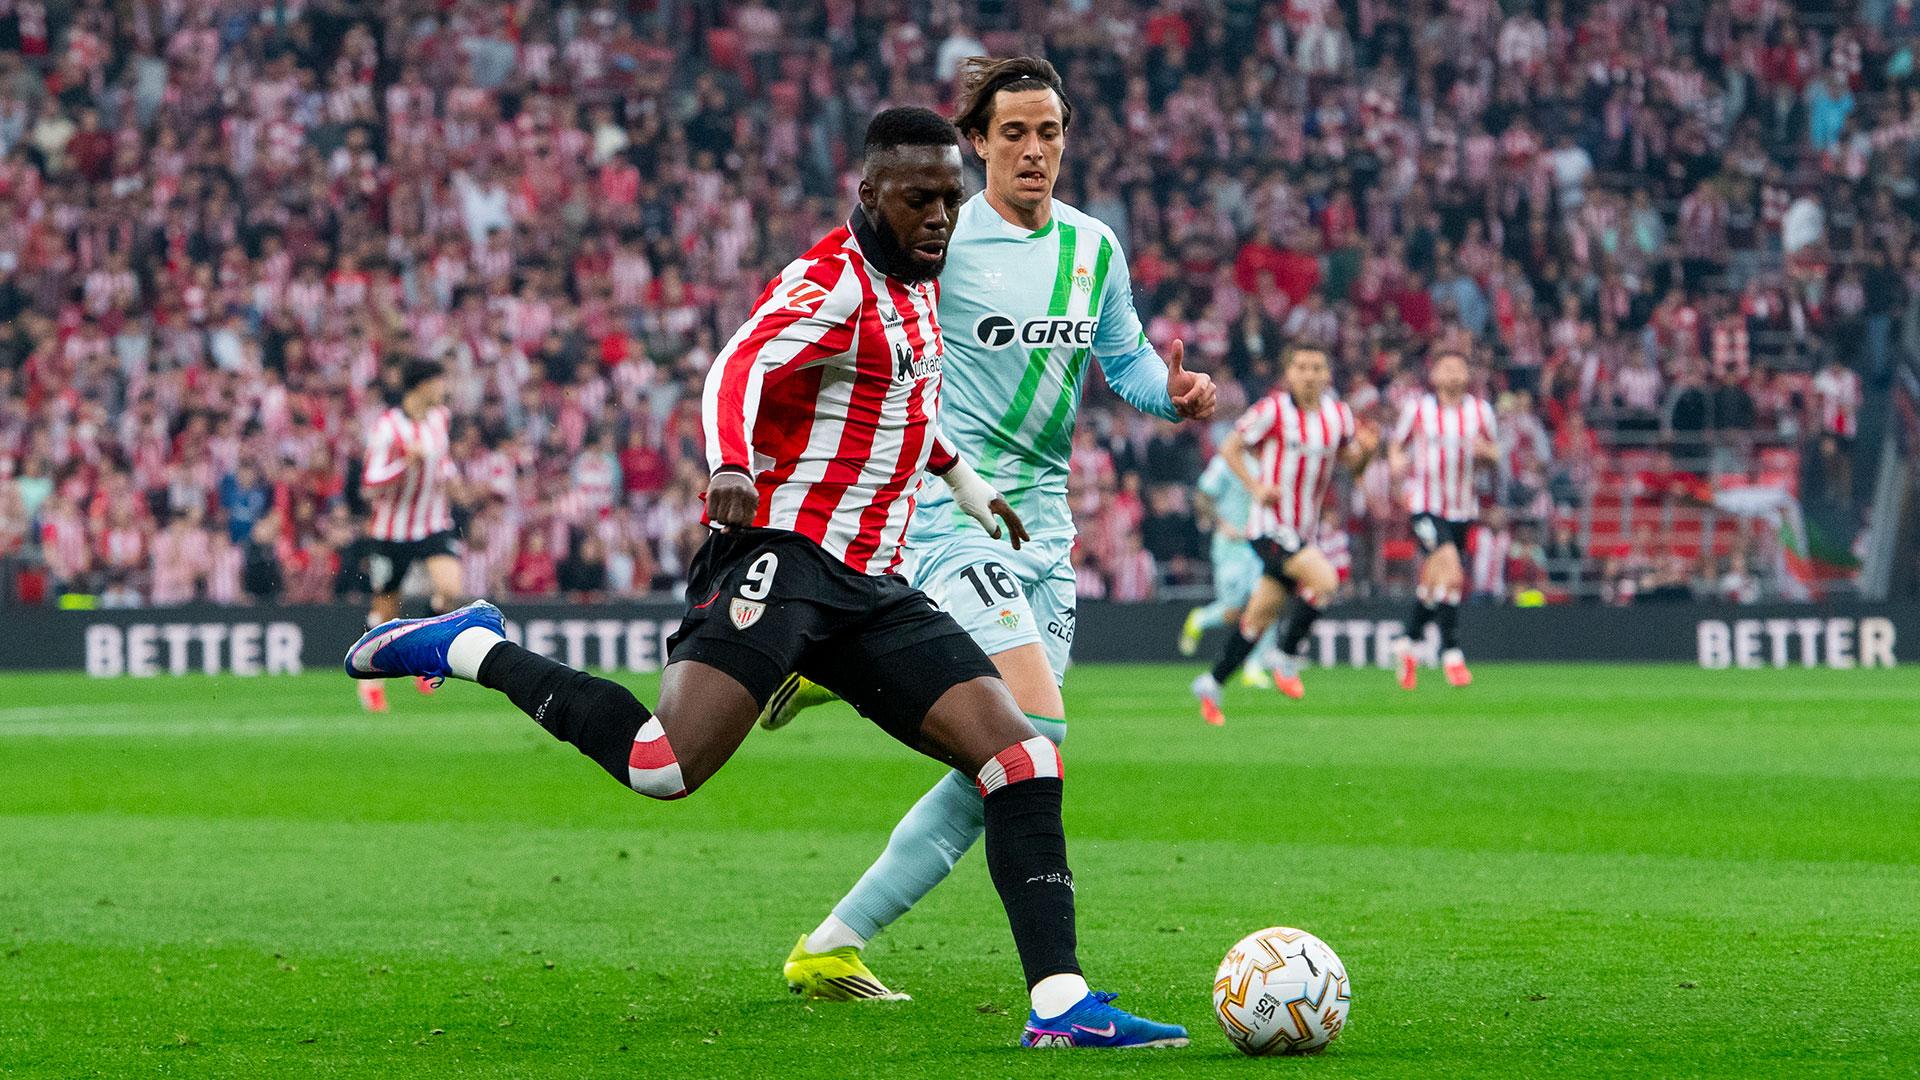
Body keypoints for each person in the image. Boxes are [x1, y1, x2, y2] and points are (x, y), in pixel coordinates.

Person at [345, 107, 1187, 1050]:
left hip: (872, 585)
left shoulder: (918, 285)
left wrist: (966, 485)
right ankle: (471, 647)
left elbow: (905, 404)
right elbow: (737, 366)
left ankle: (1060, 1005)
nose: (940, 217)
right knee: (662, 767)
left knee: (1023, 757)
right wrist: (731, 463)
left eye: (950, 199)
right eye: (919, 199)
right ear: (869, 194)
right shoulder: (832, 280)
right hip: (781, 561)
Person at [759, 58, 1216, 1006]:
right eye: (1013, 133)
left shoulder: (1093, 247)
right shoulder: (940, 237)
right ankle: (1057, 990)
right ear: (976, 143)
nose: (1034, 151)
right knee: (1034, 731)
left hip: (1044, 531)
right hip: (948, 512)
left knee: (1004, 767)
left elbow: (1127, 361)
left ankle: (833, 943)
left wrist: (1170, 396)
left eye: (1049, 132)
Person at [1190, 344, 1378, 723]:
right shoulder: (1272, 410)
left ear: (1327, 375)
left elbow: (1350, 464)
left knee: (1259, 616)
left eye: (1317, 367)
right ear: (1289, 373)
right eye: (1302, 367)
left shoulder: (1338, 416)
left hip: (1302, 530)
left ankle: (1212, 683)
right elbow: (1230, 448)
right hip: (1269, 526)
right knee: (1325, 582)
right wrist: (1256, 487)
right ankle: (1287, 656)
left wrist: (1368, 455)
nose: (1309, 374)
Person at [355, 358, 465, 713]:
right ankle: (370, 682)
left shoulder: (440, 418)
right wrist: (406, 464)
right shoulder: (387, 427)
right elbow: (370, 481)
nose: (444, 389)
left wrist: (452, 478)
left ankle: (425, 659)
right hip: (392, 530)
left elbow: (443, 459)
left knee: (450, 588)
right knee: (386, 610)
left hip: (432, 523)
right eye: (439, 382)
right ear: (421, 386)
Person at [1388, 349, 1499, 689]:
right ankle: (1452, 653)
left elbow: (1495, 453)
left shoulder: (1481, 411)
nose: (1452, 374)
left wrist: (1487, 454)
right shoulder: (1418, 409)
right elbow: (1396, 446)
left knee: (1435, 583)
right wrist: (1396, 464)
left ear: (1468, 375)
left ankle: (1407, 642)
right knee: (1451, 572)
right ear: (1434, 375)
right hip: (1425, 505)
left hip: (1462, 509)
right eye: (1446, 368)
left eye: (1458, 368)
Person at [1177, 451, 1279, 687]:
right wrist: (1221, 524)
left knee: (1268, 602)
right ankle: (1200, 619)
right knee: (1232, 610)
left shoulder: (1271, 459)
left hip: (1259, 544)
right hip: (1231, 548)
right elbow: (1202, 496)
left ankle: (1254, 667)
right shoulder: (1225, 462)